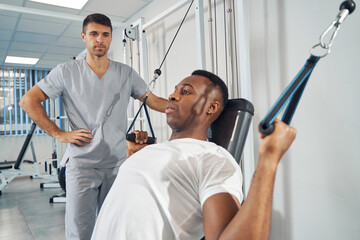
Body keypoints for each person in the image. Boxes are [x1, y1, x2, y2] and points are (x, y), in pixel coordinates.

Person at [91, 70, 297, 240]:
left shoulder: (213, 158)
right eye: (174, 90)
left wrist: (269, 159)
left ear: (211, 107)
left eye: (186, 92)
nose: (172, 96)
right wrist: (132, 157)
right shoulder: (150, 150)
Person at [19, 13, 168, 240]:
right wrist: (59, 134)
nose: (100, 39)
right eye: (94, 34)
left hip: (116, 165)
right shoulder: (66, 72)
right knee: (80, 232)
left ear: (110, 38)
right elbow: (28, 100)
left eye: (105, 34)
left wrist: (188, 106)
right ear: (84, 37)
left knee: (116, 229)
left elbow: (154, 101)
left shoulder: (125, 73)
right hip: (82, 165)